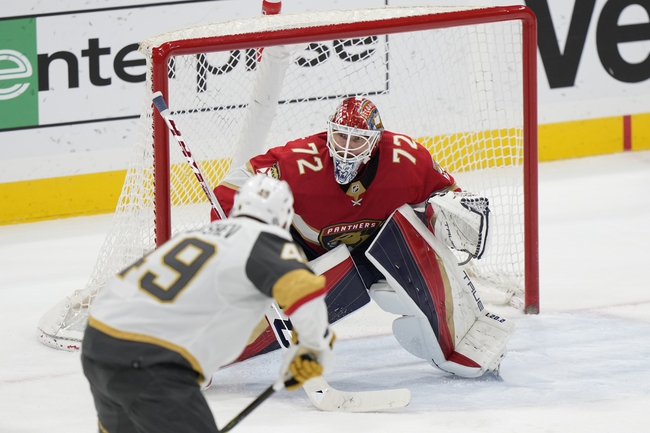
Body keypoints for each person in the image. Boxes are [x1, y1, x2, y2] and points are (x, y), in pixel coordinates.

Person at [214, 97, 514, 378]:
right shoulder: (299, 162)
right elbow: (229, 192)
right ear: (329, 132)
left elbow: (448, 196)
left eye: (357, 139)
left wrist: (453, 213)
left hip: (374, 255)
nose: (346, 147)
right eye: (341, 136)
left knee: (408, 234)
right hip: (306, 253)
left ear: (375, 140)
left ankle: (460, 339)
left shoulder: (407, 159)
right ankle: (201, 353)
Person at [81, 174, 335, 433]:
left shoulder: (196, 235)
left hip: (97, 343)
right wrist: (314, 346)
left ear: (237, 207)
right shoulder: (267, 241)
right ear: (284, 217)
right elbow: (304, 290)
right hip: (151, 361)